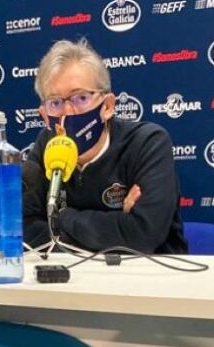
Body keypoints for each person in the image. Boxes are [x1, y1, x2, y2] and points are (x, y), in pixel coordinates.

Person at [23, 39, 186, 254]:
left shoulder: (147, 142)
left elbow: (143, 235)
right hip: (74, 280)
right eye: (55, 102)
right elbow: (24, 228)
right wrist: (118, 224)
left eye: (80, 98)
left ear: (108, 106)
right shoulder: (46, 144)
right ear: (44, 115)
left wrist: (59, 217)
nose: (68, 112)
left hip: (150, 279)